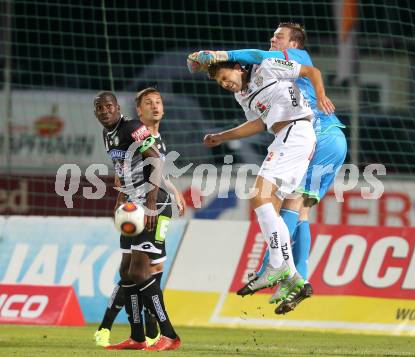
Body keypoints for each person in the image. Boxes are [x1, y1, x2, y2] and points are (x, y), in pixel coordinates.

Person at [188, 22, 347, 313]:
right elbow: (259, 123)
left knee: (263, 197)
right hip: (295, 138)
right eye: (220, 82)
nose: (273, 41)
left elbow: (261, 57)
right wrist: (221, 136)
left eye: (279, 38)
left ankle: (276, 268)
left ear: (238, 68)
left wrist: (214, 54)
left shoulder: (277, 61)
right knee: (285, 206)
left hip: (307, 133)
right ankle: (294, 278)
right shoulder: (243, 93)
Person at [94, 88, 185, 349]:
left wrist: (152, 203)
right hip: (133, 206)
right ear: (96, 113)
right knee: (126, 271)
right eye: (100, 108)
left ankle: (169, 334)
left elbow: (155, 160)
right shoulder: (107, 134)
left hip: (151, 204)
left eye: (109, 106)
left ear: (118, 108)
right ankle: (137, 337)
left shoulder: (132, 127)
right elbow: (122, 169)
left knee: (140, 270)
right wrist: (121, 199)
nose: (105, 111)